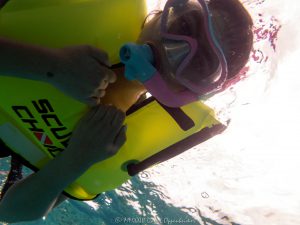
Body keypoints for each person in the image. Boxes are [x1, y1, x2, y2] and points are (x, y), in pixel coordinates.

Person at [0, 0, 253, 222]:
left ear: (193, 92)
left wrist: (76, 160)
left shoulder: (112, 139)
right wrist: (51, 66)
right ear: (166, 10)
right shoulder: (89, 6)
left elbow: (8, 212)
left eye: (197, 64)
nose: (171, 51)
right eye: (184, 27)